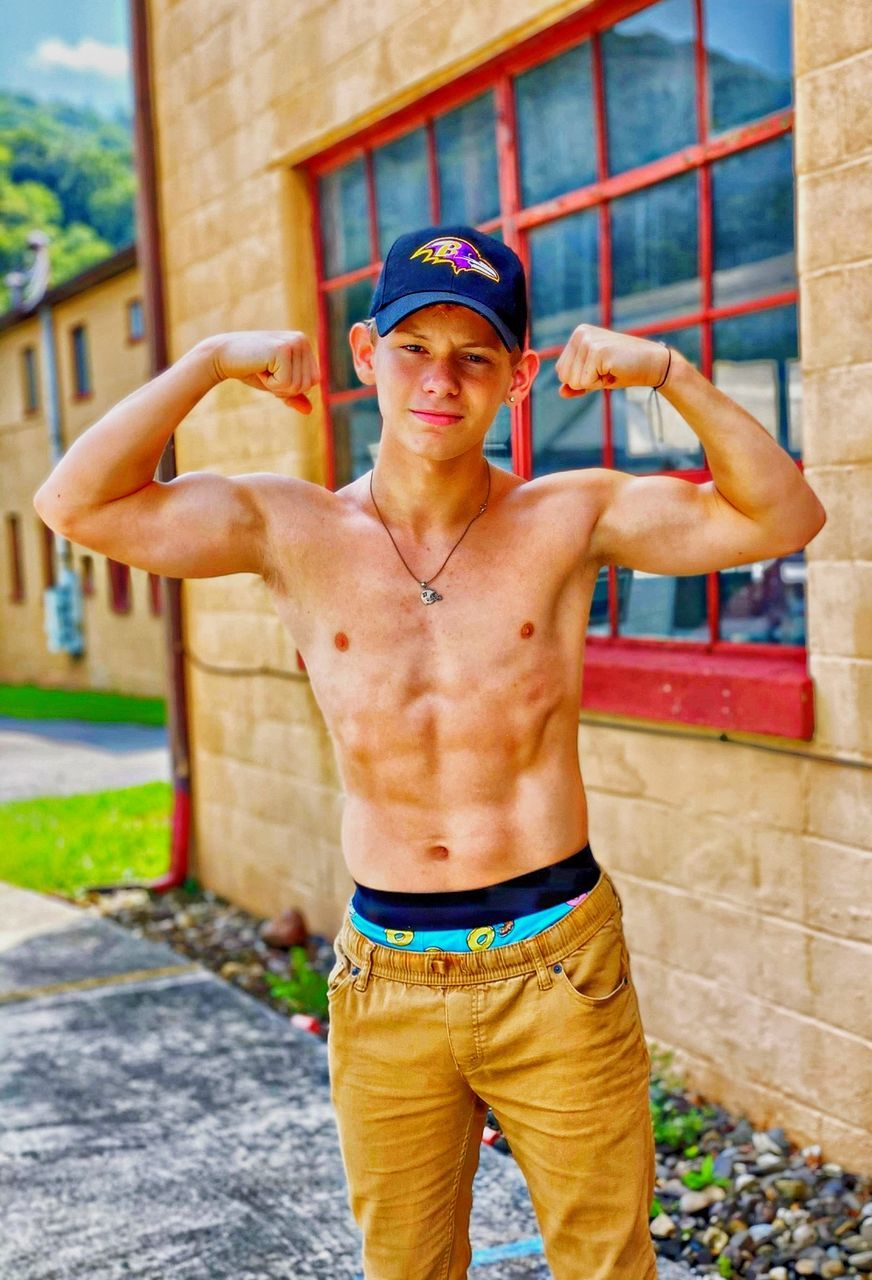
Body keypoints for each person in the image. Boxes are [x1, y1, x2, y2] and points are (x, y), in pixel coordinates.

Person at [34, 224, 826, 1280]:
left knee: (606, 1262)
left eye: (474, 356)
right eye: (414, 347)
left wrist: (670, 374)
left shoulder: (566, 515)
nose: (439, 380)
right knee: (405, 1265)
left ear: (519, 375)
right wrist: (210, 360)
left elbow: (782, 512)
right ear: (363, 353)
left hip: (557, 965)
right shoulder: (290, 526)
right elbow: (73, 503)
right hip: (387, 976)